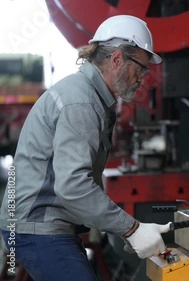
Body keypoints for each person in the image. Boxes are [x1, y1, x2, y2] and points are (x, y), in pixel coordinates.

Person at [0, 15, 172, 281]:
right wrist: (131, 229)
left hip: (39, 224)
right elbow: (73, 186)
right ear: (116, 60)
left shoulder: (89, 95)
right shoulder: (81, 102)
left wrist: (120, 228)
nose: (142, 78)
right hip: (36, 227)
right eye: (141, 68)